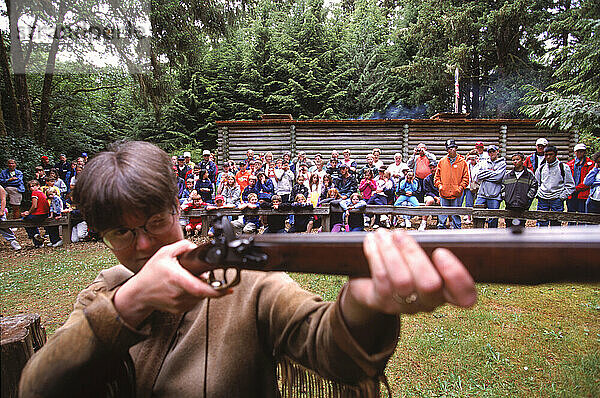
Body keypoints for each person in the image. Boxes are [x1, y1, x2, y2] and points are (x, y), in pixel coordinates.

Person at [19, 141, 477, 398]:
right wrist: (130, 302)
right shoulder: (107, 296)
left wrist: (363, 303)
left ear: (179, 210)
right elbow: (37, 388)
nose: (143, 244)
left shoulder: (244, 282)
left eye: (155, 222)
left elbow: (329, 348)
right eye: (122, 233)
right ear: (103, 235)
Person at [535, 145, 575, 227]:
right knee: (541, 222)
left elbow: (570, 185)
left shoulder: (563, 167)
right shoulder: (541, 168)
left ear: (555, 155)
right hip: (543, 199)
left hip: (557, 199)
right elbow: (536, 183)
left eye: (551, 154)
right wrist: (538, 193)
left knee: (556, 223)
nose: (548, 157)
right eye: (546, 155)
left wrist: (561, 197)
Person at [434, 139, 469, 229]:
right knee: (442, 214)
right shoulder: (442, 161)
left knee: (456, 214)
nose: (451, 150)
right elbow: (436, 177)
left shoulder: (462, 162)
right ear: (447, 150)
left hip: (457, 194)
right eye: (449, 148)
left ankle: (457, 232)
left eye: (453, 147)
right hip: (443, 193)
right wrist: (440, 186)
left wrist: (460, 188)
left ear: (456, 148)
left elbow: (466, 178)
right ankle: (441, 231)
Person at [473, 145, 506, 228]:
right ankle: (478, 234)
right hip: (482, 194)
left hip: (494, 195)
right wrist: (492, 173)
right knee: (478, 214)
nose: (491, 153)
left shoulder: (502, 164)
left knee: (493, 218)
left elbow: (498, 177)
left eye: (493, 151)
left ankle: (493, 236)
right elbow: (479, 175)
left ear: (497, 151)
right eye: (489, 152)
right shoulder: (483, 163)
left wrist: (486, 174)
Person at [502, 153, 538, 227]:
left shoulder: (529, 174)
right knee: (508, 225)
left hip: (523, 205)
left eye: (517, 159)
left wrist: (528, 197)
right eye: (513, 160)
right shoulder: (508, 175)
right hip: (510, 205)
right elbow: (502, 187)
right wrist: (505, 197)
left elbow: (534, 186)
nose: (515, 161)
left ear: (522, 160)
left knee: (521, 226)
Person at [22, 180, 61, 248]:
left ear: (38, 186)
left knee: (25, 219)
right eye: (30, 186)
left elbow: (34, 206)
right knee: (31, 221)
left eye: (34, 186)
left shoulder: (35, 193)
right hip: (45, 214)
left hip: (39, 215)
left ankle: (35, 236)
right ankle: (37, 237)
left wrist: (28, 212)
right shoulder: (42, 193)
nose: (32, 188)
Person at [566, 143, 594, 219]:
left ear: (585, 152)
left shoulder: (590, 164)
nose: (579, 153)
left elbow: (589, 181)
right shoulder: (569, 165)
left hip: (584, 194)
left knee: (583, 216)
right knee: (571, 216)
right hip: (571, 194)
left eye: (581, 151)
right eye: (577, 151)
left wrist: (577, 188)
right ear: (574, 152)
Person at [0, 185, 22, 250]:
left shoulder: (0, 188)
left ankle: (12, 240)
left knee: (3, 225)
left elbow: (3, 200)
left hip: (0, 209)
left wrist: (1, 211)